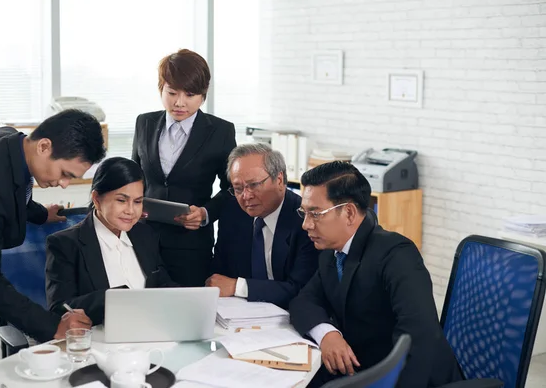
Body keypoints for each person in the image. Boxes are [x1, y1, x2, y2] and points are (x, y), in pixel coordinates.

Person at [289, 161, 462, 388]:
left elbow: (419, 339)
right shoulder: (331, 252)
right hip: (363, 370)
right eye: (304, 213)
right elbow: (304, 301)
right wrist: (327, 335)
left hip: (410, 379)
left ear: (349, 213)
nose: (306, 224)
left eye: (315, 214)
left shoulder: (397, 255)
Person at [0, 109, 106, 342]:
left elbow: (15, 188)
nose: (64, 184)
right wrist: (53, 326)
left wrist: (41, 214)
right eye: (64, 173)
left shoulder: (8, 138)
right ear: (43, 146)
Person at [132, 49, 236, 287]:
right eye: (171, 92)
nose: (179, 102)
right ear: (161, 88)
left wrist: (205, 214)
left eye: (190, 94)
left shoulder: (221, 131)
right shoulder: (144, 123)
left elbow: (232, 189)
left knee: (187, 312)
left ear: (203, 95)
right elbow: (135, 177)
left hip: (190, 245)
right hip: (142, 238)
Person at [45, 157, 178, 325]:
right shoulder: (65, 244)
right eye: (121, 200)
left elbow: (162, 283)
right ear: (97, 199)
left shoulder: (145, 234)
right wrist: (116, 299)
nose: (130, 210)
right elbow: (59, 308)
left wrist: (187, 298)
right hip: (100, 337)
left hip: (151, 331)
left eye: (137, 202)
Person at [207, 144, 318, 309]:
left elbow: (302, 289)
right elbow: (220, 275)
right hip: (240, 315)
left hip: (292, 315)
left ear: (279, 180)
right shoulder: (232, 212)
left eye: (254, 185)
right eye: (238, 189)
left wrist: (239, 287)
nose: (246, 196)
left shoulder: (305, 219)